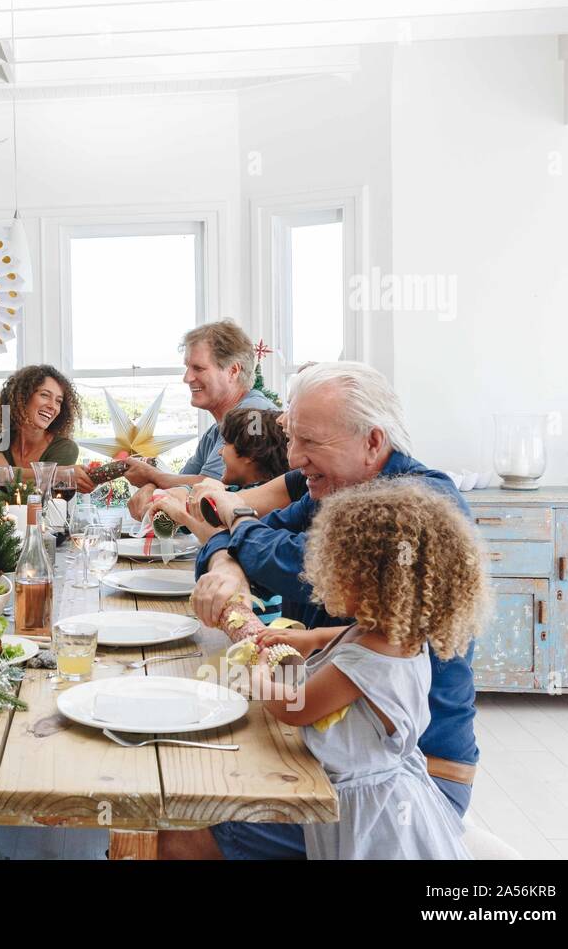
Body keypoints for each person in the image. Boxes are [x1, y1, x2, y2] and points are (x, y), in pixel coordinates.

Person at [159, 361, 480, 860]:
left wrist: (233, 542)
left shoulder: (417, 508)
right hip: (339, 762)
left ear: (373, 441)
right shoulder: (332, 485)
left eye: (309, 441)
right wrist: (232, 549)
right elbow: (253, 546)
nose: (293, 457)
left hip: (408, 785)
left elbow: (282, 561)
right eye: (291, 438)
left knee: (180, 831)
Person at [253, 480, 485, 859]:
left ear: (369, 579)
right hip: (394, 787)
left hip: (370, 810)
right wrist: (308, 639)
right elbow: (345, 633)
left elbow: (293, 708)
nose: (325, 576)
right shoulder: (395, 634)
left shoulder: (365, 662)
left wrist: (259, 676)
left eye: (335, 567)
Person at [123, 320, 278, 491]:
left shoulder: (254, 415)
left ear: (233, 371)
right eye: (188, 367)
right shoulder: (213, 433)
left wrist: (152, 476)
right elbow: (181, 484)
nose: (187, 378)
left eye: (198, 368)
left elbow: (212, 487)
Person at [129, 406, 291, 530]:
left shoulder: (260, 504)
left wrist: (175, 505)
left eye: (226, 444)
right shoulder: (235, 489)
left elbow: (202, 512)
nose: (220, 452)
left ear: (251, 455)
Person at [0, 364, 95, 491]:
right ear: (22, 397)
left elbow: (40, 498)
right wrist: (56, 473)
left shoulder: (65, 448)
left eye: (58, 401)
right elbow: (1, 476)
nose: (53, 406)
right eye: (45, 395)